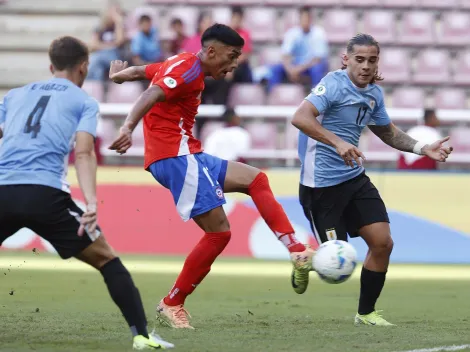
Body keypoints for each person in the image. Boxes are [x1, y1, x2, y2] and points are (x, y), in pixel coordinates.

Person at [107, 23, 314, 329]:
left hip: (187, 154)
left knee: (255, 179)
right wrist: (126, 127)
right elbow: (152, 91)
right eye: (232, 56)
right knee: (219, 233)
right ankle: (172, 303)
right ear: (212, 51)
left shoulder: (178, 63)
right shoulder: (188, 70)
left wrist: (118, 76)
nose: (234, 65)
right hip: (177, 158)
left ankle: (296, 251)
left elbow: (143, 72)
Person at [0, 36, 173, 350]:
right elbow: (82, 154)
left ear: (51, 66)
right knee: (107, 260)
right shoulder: (83, 101)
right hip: (45, 194)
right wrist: (91, 202)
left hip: (3, 190)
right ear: (83, 68)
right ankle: (142, 337)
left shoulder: (14, 96)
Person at [291, 33, 453, 326]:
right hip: (321, 186)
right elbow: (301, 117)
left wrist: (422, 148)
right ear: (346, 60)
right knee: (337, 265)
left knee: (383, 243)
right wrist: (338, 142)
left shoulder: (374, 94)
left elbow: (387, 132)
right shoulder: (332, 84)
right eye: (359, 59)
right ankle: (305, 259)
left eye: (372, 60)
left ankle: (366, 314)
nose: (366, 66)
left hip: (354, 179)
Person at [268, 6, 328, 91]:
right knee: (275, 69)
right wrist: (289, 69)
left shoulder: (319, 33)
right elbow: (285, 54)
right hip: (295, 66)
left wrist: (298, 69)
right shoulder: (292, 33)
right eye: (303, 18)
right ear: (299, 19)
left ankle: (317, 97)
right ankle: (273, 95)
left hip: (309, 67)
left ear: (311, 19)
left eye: (307, 18)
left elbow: (317, 59)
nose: (305, 21)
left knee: (317, 69)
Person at [87, 1, 126, 81]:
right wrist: (110, 46)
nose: (115, 14)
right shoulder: (100, 27)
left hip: (114, 56)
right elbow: (93, 45)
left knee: (95, 59)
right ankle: (96, 88)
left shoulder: (120, 27)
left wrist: (118, 22)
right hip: (101, 55)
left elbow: (119, 41)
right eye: (113, 12)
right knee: (98, 69)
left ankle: (87, 82)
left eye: (117, 12)